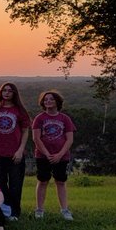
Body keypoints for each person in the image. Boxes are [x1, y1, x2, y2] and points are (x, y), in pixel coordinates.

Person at [0, 82, 32, 219]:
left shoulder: (20, 111)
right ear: (0, 93)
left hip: (15, 154)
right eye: (4, 90)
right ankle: (3, 211)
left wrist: (20, 150)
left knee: (15, 185)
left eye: (10, 91)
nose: (6, 93)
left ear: (14, 94)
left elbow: (25, 131)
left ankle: (15, 213)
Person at [32, 90, 76, 221]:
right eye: (45, 100)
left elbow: (69, 139)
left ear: (57, 101)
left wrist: (59, 155)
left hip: (61, 156)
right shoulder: (39, 118)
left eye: (51, 99)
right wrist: (47, 154)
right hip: (42, 156)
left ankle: (65, 210)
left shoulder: (65, 119)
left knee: (60, 182)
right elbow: (36, 138)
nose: (48, 101)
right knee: (43, 181)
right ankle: (39, 209)